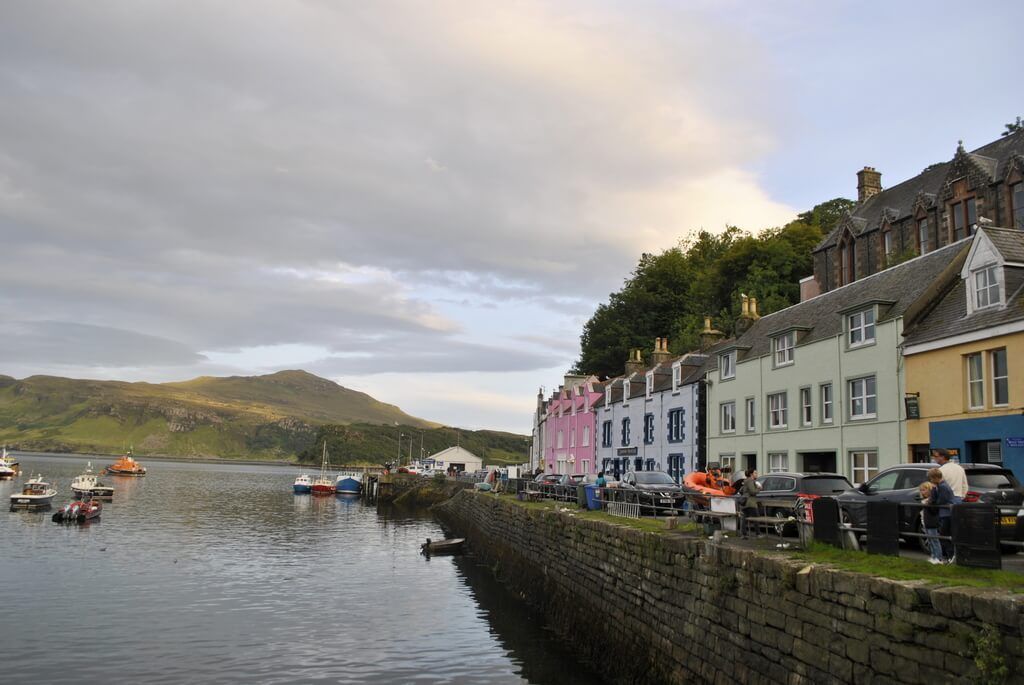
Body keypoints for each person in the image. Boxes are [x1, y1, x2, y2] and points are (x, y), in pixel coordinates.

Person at [927, 468, 955, 563]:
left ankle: (950, 556)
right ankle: (948, 555)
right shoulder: (940, 486)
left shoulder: (943, 487)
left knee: (944, 536)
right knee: (943, 536)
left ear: (935, 478)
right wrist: (934, 489)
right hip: (944, 513)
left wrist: (932, 500)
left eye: (931, 478)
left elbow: (940, 500)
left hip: (946, 514)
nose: (930, 480)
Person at [918, 481, 943, 564]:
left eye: (924, 490)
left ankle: (939, 558)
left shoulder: (932, 500)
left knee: (935, 540)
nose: (922, 492)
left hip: (932, 523)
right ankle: (933, 556)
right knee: (930, 541)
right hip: (926, 523)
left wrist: (927, 505)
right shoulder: (924, 500)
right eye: (921, 490)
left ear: (929, 490)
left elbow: (934, 511)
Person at [740, 469, 761, 539]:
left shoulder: (745, 481)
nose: (756, 474)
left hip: (745, 502)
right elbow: (753, 491)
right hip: (750, 502)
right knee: (756, 518)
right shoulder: (750, 481)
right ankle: (758, 534)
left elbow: (741, 491)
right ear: (751, 474)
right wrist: (759, 488)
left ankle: (744, 534)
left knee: (744, 519)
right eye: (755, 473)